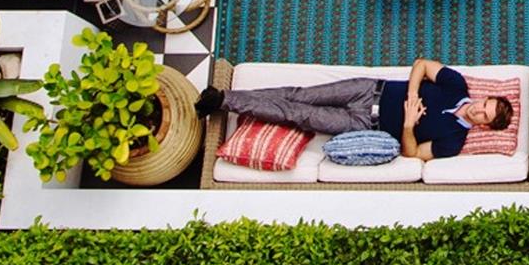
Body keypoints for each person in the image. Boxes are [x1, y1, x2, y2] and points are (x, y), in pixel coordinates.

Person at [196, 58, 512, 161]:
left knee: (298, 114)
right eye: (484, 104)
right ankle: (226, 95)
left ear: (485, 126)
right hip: (369, 89)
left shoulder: (454, 142)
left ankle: (222, 101)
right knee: (300, 95)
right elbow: (421, 65)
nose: (478, 110)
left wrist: (408, 124)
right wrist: (413, 94)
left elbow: (413, 153)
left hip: (361, 123)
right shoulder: (457, 86)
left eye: (484, 115)